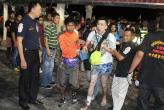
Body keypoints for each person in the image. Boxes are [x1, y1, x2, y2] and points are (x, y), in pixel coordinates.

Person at [127, 15, 164, 110]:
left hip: (145, 77)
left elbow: (139, 55)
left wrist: (130, 71)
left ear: (158, 25)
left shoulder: (149, 36)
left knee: (143, 104)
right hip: (161, 80)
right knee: (160, 105)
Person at [81, 17, 116, 110]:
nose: (99, 26)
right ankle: (87, 105)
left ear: (106, 25)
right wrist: (85, 47)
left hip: (106, 63)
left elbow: (113, 52)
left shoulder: (110, 36)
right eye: (98, 24)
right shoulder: (93, 33)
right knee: (92, 83)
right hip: (96, 62)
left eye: (102, 24)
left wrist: (105, 47)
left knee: (104, 84)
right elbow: (87, 43)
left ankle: (104, 96)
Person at [17, 2, 42, 110]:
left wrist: (39, 52)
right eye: (39, 9)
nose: (40, 12)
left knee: (35, 78)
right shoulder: (24, 21)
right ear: (33, 9)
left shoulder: (35, 22)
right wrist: (22, 59)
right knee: (25, 78)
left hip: (35, 53)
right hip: (26, 54)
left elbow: (36, 38)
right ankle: (23, 101)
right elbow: (19, 41)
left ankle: (32, 98)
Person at [107, 28, 137, 110]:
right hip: (119, 71)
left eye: (127, 36)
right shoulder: (124, 44)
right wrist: (111, 51)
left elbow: (120, 57)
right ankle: (115, 106)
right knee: (114, 90)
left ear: (133, 36)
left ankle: (116, 108)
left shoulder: (131, 45)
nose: (125, 37)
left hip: (125, 73)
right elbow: (117, 56)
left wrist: (114, 51)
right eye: (124, 35)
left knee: (120, 94)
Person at [58, 16, 80, 104]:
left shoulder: (76, 34)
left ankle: (74, 93)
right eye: (68, 25)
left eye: (72, 25)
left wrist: (78, 50)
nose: (70, 27)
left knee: (74, 83)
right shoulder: (61, 36)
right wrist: (74, 49)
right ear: (65, 26)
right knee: (62, 82)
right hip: (64, 62)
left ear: (74, 26)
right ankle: (62, 97)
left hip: (74, 61)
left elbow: (78, 45)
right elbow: (64, 49)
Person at [41, 13, 59, 89]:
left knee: (51, 67)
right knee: (46, 67)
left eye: (59, 18)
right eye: (56, 18)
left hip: (53, 49)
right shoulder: (49, 27)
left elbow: (54, 39)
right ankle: (44, 83)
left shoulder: (55, 27)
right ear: (52, 18)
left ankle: (49, 80)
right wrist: (48, 50)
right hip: (48, 49)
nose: (58, 19)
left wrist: (55, 50)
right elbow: (45, 39)